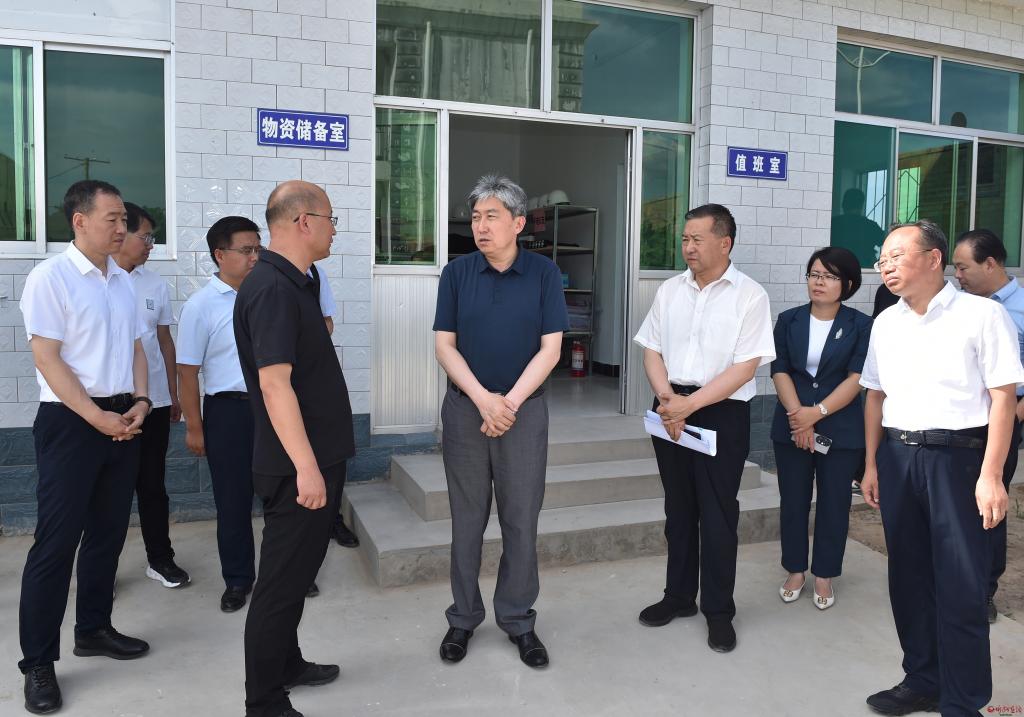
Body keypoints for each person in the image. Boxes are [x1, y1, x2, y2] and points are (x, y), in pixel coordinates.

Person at [860, 220, 1022, 716]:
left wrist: (991, 475)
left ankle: (963, 699)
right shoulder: (886, 322)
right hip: (898, 457)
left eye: (896, 256)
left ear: (934, 259)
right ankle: (922, 680)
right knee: (907, 578)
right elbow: (875, 396)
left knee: (961, 583)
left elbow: (1002, 398)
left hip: (959, 460)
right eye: (882, 259)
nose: (885, 266)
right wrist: (871, 464)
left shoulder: (982, 315)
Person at [18, 180, 152, 714]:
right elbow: (47, 358)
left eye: (124, 220)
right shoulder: (50, 278)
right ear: (79, 220)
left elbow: (137, 346)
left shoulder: (121, 280)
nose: (123, 228)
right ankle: (38, 663)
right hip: (72, 422)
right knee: (55, 544)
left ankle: (94, 629)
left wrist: (141, 400)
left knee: (107, 534)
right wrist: (97, 417)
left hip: (122, 417)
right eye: (112, 219)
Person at [432, 174, 567, 668]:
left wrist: (506, 404)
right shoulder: (457, 273)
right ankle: (463, 618)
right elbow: (445, 345)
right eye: (475, 217)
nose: (481, 226)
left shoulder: (543, 274)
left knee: (521, 519)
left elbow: (551, 349)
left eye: (491, 216)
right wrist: (483, 401)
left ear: (518, 223)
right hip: (466, 411)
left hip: (523, 413)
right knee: (466, 521)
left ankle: (518, 620)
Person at [234, 180, 355, 717]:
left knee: (298, 575)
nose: (334, 231)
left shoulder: (297, 281)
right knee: (280, 588)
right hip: (296, 469)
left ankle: (287, 663)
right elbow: (274, 384)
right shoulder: (272, 289)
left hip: (317, 458)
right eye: (331, 220)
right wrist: (307, 468)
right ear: (304, 221)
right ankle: (264, 701)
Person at [633, 203, 775, 653]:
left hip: (720, 412)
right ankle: (678, 596)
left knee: (717, 514)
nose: (688, 247)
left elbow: (746, 366)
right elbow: (651, 349)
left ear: (724, 242)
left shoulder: (750, 295)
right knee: (678, 509)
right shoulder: (670, 290)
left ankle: (718, 610)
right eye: (685, 239)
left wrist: (689, 405)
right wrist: (668, 400)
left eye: (697, 239)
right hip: (670, 405)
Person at [770, 247, 872, 610]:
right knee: (793, 501)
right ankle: (795, 569)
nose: (819, 282)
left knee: (834, 503)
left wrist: (817, 413)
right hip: (791, 424)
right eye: (814, 274)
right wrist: (797, 415)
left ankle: (825, 574)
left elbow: (857, 377)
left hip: (840, 429)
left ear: (847, 284)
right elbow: (779, 369)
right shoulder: (789, 320)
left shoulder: (861, 325)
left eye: (829, 276)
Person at [177, 216, 261, 613]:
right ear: (220, 255)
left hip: (272, 407)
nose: (254, 257)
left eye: (258, 249)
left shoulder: (268, 296)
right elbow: (187, 372)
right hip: (227, 411)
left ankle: (287, 573)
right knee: (233, 500)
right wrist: (194, 426)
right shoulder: (201, 306)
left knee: (282, 494)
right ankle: (238, 579)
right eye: (246, 250)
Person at [112, 202, 190, 589]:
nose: (150, 245)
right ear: (121, 232)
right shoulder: (96, 279)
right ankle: (101, 570)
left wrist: (173, 394)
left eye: (152, 238)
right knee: (108, 491)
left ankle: (160, 559)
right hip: (110, 404)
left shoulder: (154, 284)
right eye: (145, 236)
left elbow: (164, 341)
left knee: (152, 486)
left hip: (155, 401)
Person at [952, 228, 1024, 623]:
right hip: (960, 423)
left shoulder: (1020, 306)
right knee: (955, 503)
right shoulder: (960, 307)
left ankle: (984, 590)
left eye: (963, 267)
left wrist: (1015, 412)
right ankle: (954, 579)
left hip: (1004, 422)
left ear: (991, 264)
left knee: (990, 504)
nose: (957, 275)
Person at [311, 262, 359, 549]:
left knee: (333, 451)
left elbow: (327, 322)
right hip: (278, 379)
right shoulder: (269, 276)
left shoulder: (316, 273)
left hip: (316, 372)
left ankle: (332, 519)